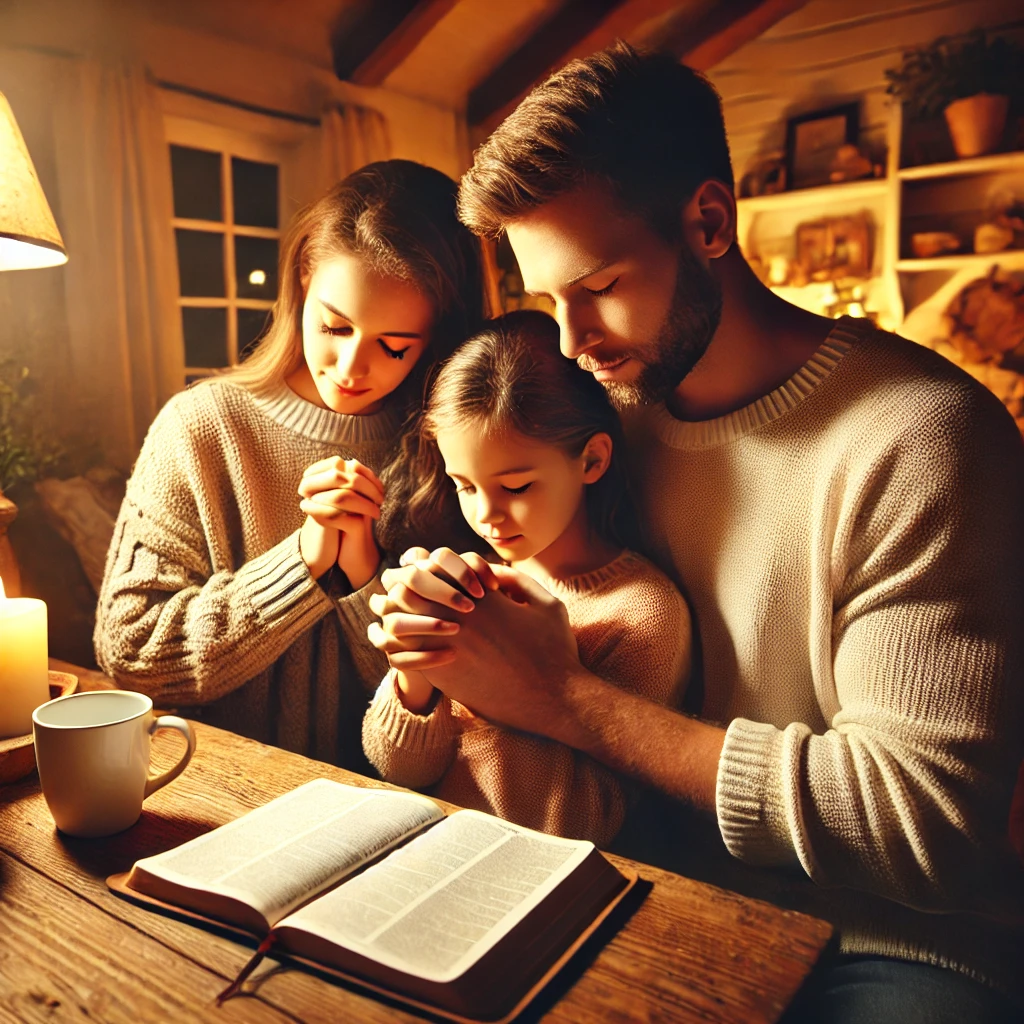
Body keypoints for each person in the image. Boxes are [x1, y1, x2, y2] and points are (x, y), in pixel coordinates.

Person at [365, 44, 1024, 1021]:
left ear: (709, 220)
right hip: (637, 879)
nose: (571, 336)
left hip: (890, 941)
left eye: (597, 284)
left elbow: (921, 823)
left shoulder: (922, 435)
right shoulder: (605, 418)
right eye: (546, 298)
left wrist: (564, 698)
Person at [94, 160, 484, 766]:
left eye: (394, 346)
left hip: (387, 801)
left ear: (437, 336)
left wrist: (360, 582)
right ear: (302, 280)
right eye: (334, 325)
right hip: (212, 792)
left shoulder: (454, 449)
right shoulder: (201, 427)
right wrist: (302, 563)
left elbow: (455, 704)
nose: (352, 368)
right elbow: (130, 651)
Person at [362, 310, 690, 846]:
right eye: (464, 486)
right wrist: (414, 678)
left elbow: (576, 823)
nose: (486, 516)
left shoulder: (641, 614)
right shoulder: (475, 577)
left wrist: (500, 687)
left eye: (515, 487)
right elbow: (400, 768)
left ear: (591, 460)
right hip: (429, 853)